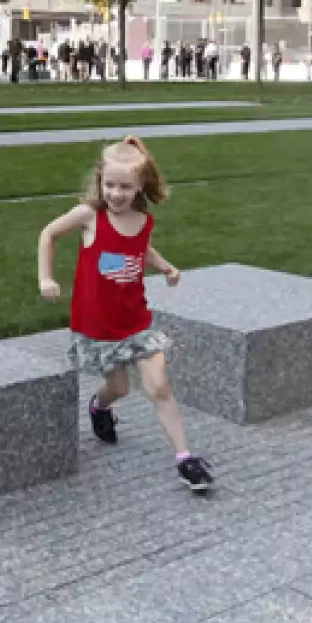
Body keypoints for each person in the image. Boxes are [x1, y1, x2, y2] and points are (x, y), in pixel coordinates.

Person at [37, 137, 215, 492]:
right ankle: (99, 407)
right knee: (119, 387)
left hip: (136, 321)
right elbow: (49, 235)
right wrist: (46, 277)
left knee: (159, 386)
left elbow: (141, 247)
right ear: (100, 181)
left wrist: (165, 266)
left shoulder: (143, 221)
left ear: (140, 187)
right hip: (99, 326)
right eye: (110, 185)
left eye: (125, 187)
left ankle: (185, 459)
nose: (116, 194)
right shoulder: (90, 216)